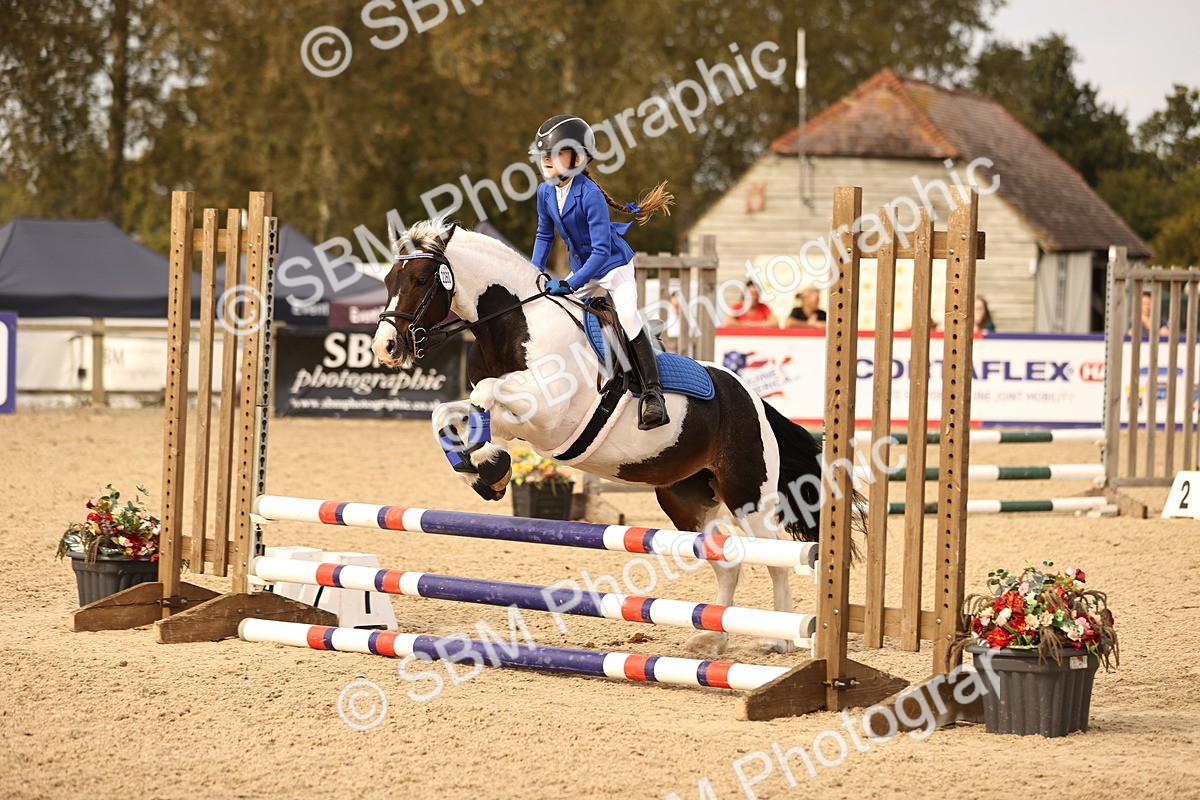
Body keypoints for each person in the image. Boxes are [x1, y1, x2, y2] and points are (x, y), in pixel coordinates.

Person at [529, 115, 674, 430]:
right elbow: (543, 235)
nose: (548, 161)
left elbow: (599, 251)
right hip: (584, 267)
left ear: (577, 158)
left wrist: (570, 282)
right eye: (545, 155)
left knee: (628, 317)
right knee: (558, 313)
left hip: (611, 265)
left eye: (556, 153)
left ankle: (653, 394)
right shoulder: (544, 192)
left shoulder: (590, 194)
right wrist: (533, 272)